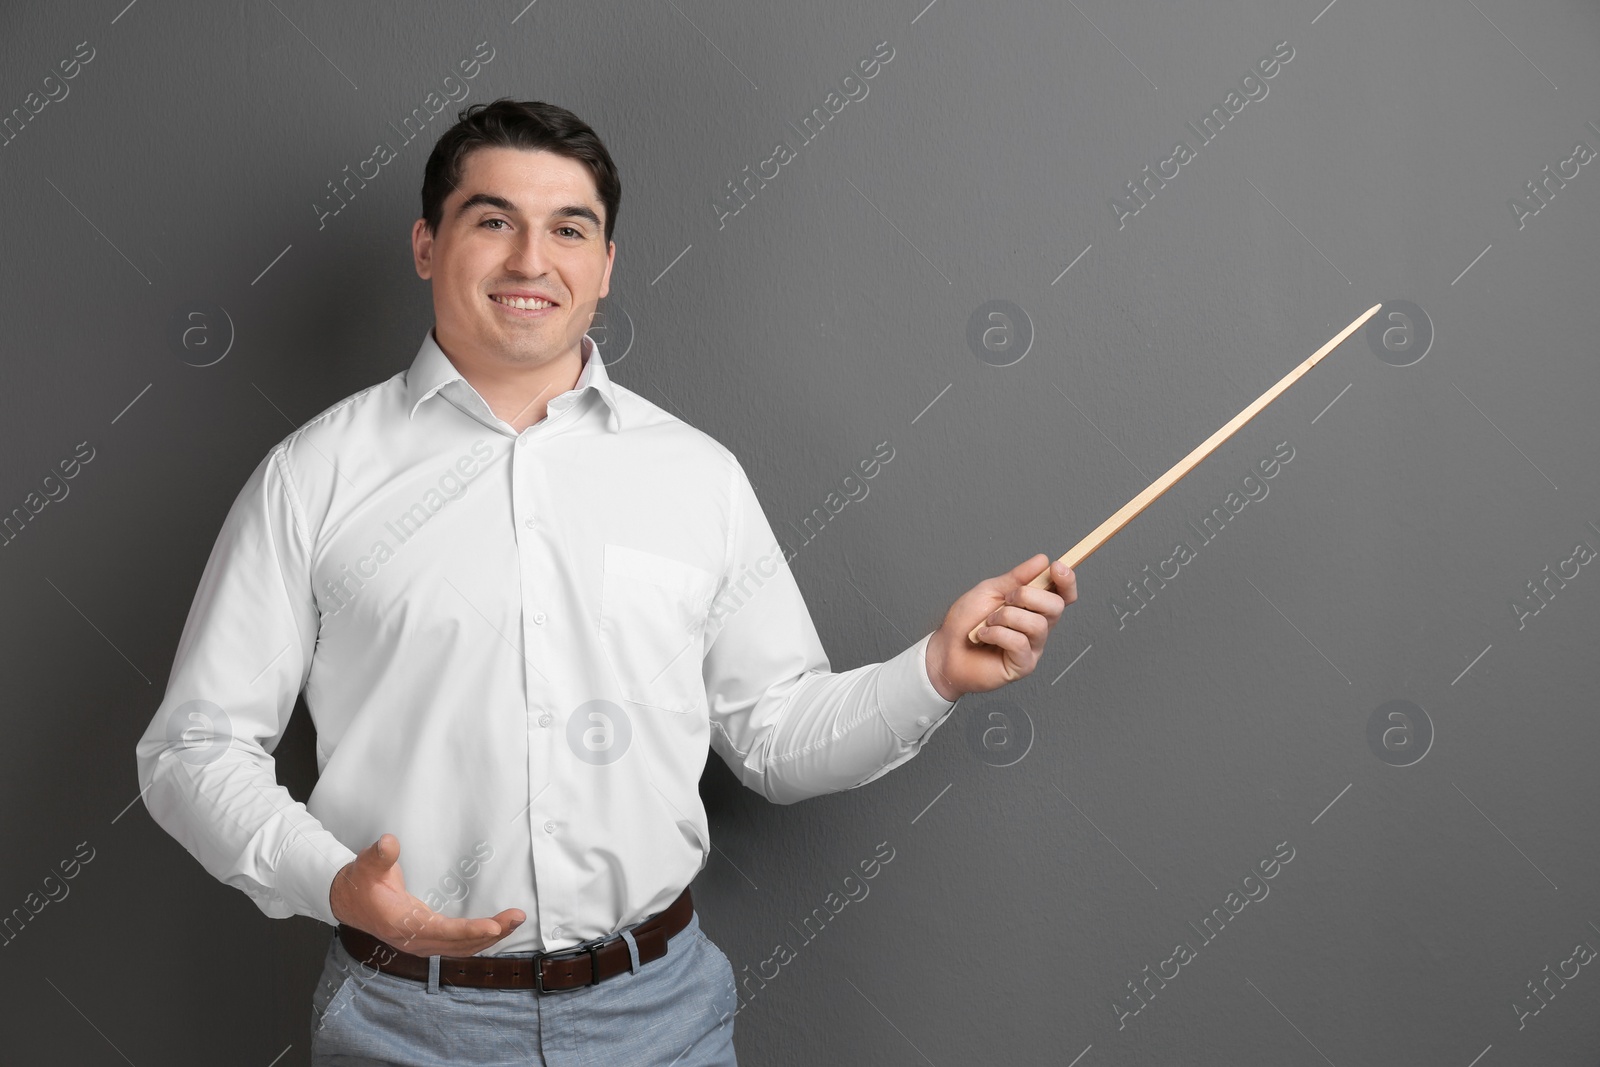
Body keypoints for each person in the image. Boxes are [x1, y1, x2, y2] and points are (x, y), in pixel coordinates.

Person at [134, 98, 1077, 1067]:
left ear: (605, 264)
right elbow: (194, 749)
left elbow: (777, 736)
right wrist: (332, 880)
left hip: (660, 1019)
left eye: (568, 228)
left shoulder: (695, 475)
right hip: (404, 1025)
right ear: (427, 244)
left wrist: (935, 671)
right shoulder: (313, 476)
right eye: (493, 220)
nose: (530, 259)